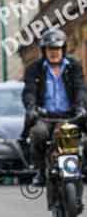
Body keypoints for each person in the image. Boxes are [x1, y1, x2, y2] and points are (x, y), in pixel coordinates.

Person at [22, 28, 87, 186]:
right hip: (44, 117)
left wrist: (81, 107)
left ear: (63, 49)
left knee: (81, 139)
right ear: (44, 50)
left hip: (70, 116)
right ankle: (40, 170)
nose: (54, 52)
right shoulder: (34, 69)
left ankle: (83, 167)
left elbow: (80, 89)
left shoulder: (74, 66)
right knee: (38, 133)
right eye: (50, 49)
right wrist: (31, 108)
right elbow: (29, 92)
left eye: (57, 48)